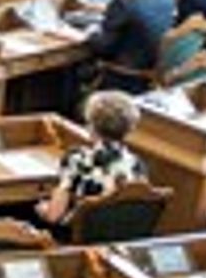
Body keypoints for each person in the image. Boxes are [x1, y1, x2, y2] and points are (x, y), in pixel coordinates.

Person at [37, 90, 145, 228]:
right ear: (130, 129)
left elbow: (54, 216)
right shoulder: (137, 165)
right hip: (119, 241)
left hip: (79, 242)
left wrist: (43, 209)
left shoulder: (77, 159)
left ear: (91, 127)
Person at [87, 0, 173, 91]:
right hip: (148, 75)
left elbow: (104, 47)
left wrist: (91, 34)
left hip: (122, 78)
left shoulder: (122, 3)